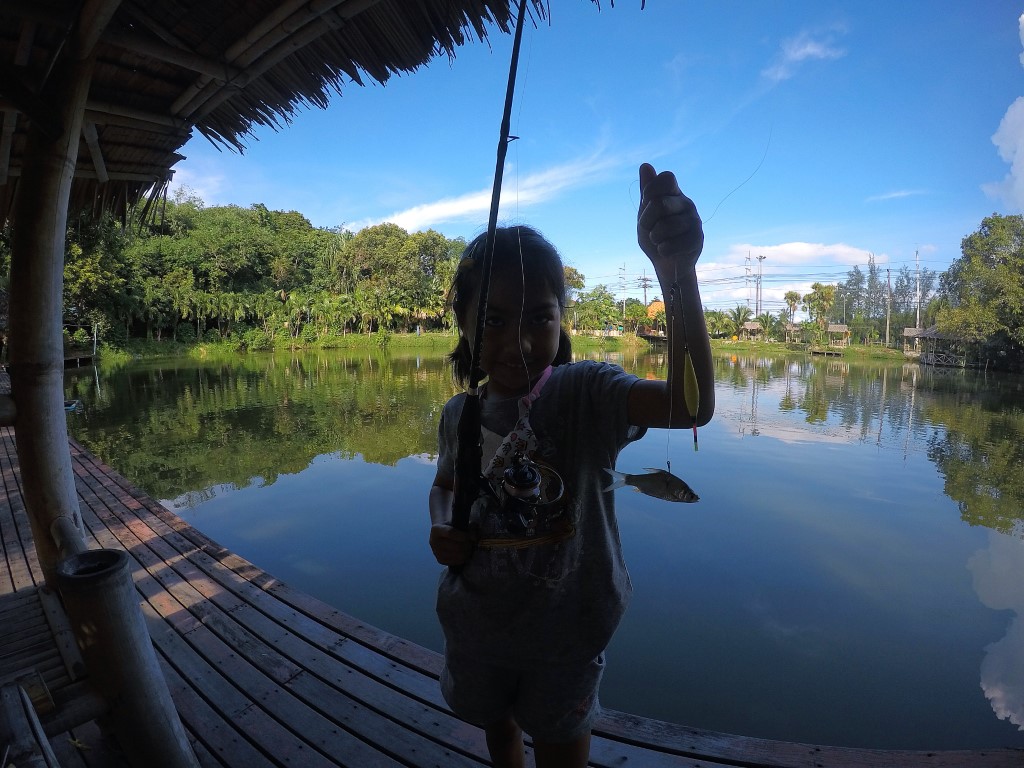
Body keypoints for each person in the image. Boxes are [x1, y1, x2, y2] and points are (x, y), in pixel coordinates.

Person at [428, 163, 715, 768]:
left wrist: (676, 273)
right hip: (477, 631)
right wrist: (443, 525)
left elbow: (689, 404)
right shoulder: (459, 413)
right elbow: (445, 485)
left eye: (539, 316)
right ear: (463, 324)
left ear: (563, 322)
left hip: (568, 636)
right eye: (494, 320)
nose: (518, 341)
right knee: (497, 731)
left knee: (563, 750)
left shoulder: (587, 393)